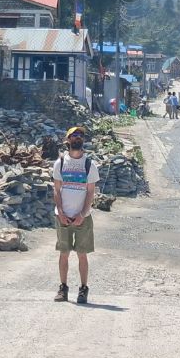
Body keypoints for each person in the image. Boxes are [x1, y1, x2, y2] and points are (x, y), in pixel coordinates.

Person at [52, 126, 100, 304]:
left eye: (80, 135)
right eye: (74, 135)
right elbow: (57, 190)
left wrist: (82, 214)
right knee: (64, 253)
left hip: (83, 218)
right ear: (68, 140)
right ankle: (63, 288)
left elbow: (90, 192)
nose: (77, 138)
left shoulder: (89, 165)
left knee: (82, 254)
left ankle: (83, 289)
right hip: (63, 216)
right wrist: (61, 212)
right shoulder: (61, 163)